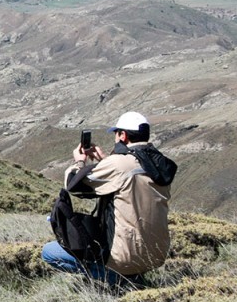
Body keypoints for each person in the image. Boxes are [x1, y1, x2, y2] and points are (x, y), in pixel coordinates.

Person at [42, 111, 177, 287]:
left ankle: (120, 280)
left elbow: (74, 184)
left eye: (116, 133)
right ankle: (133, 275)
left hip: (125, 256)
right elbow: (130, 177)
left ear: (123, 135)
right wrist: (106, 159)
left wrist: (80, 162)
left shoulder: (118, 164)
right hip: (157, 254)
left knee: (50, 252)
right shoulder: (161, 164)